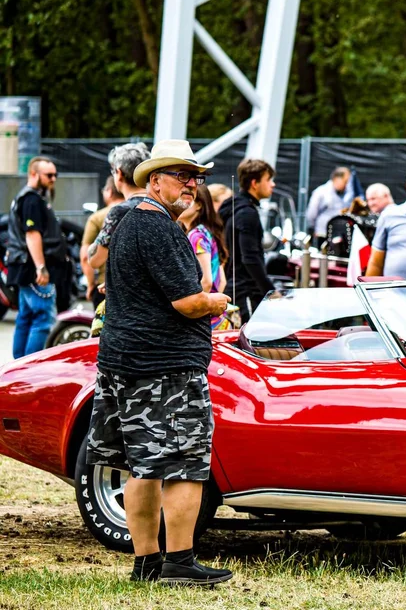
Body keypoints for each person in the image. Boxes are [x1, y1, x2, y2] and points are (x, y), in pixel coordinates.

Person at [85, 139, 231, 585]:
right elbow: (186, 302)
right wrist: (216, 301)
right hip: (165, 367)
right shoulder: (160, 229)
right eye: (183, 175)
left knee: (138, 465)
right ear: (154, 179)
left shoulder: (126, 219)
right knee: (184, 463)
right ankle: (179, 561)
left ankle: (146, 562)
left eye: (197, 177)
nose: (193, 184)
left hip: (122, 361)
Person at [6, 157, 64, 359]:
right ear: (33, 174)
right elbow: (32, 234)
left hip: (22, 266)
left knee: (26, 317)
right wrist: (41, 267)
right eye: (49, 175)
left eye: (56, 174)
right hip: (32, 269)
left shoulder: (25, 197)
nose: (53, 179)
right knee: (42, 318)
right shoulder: (31, 200)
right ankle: (29, 368)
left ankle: (18, 369)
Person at [220, 158, 277, 323]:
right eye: (268, 180)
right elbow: (250, 258)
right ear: (254, 183)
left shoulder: (234, 207)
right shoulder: (246, 213)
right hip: (246, 293)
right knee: (248, 343)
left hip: (235, 287)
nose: (272, 185)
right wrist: (270, 291)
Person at [87, 142, 152, 273]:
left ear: (119, 173)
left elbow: (95, 260)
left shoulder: (120, 212)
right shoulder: (161, 206)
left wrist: (91, 249)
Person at [179, 184, 230, 330]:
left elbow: (206, 281)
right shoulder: (205, 232)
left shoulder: (196, 235)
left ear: (199, 205)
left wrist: (193, 306)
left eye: (186, 199)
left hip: (206, 320)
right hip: (218, 319)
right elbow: (222, 282)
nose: (179, 204)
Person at [80, 177, 122, 306]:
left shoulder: (97, 218)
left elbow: (85, 256)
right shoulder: (139, 211)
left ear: (109, 191)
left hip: (104, 286)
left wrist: (91, 284)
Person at [305, 167, 354, 245]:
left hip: (339, 237)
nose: (346, 185)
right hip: (322, 235)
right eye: (345, 182)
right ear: (337, 179)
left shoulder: (346, 194)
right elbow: (311, 214)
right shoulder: (321, 192)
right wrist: (312, 229)